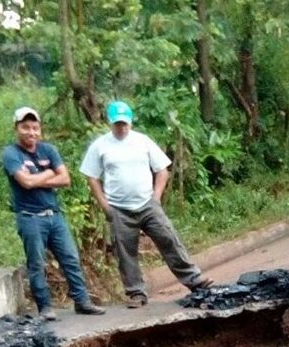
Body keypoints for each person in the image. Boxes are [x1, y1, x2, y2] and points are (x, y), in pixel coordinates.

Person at [79, 101, 213, 308]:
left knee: (169, 239)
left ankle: (194, 280)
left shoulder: (143, 142)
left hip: (147, 203)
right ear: (110, 123)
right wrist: (105, 205)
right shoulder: (100, 146)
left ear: (130, 122)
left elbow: (162, 170)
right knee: (125, 253)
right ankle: (136, 293)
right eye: (117, 124)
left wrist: (156, 197)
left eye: (124, 124)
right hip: (119, 208)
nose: (121, 128)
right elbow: (92, 177)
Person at [1, 107, 106, 321]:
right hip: (29, 217)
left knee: (71, 258)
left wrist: (38, 177)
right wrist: (49, 173)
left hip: (54, 215)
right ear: (17, 128)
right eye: (26, 128)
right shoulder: (11, 154)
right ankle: (45, 308)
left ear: (40, 130)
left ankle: (82, 301)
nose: (31, 132)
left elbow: (65, 179)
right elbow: (25, 182)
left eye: (35, 128)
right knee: (37, 263)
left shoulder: (48, 150)